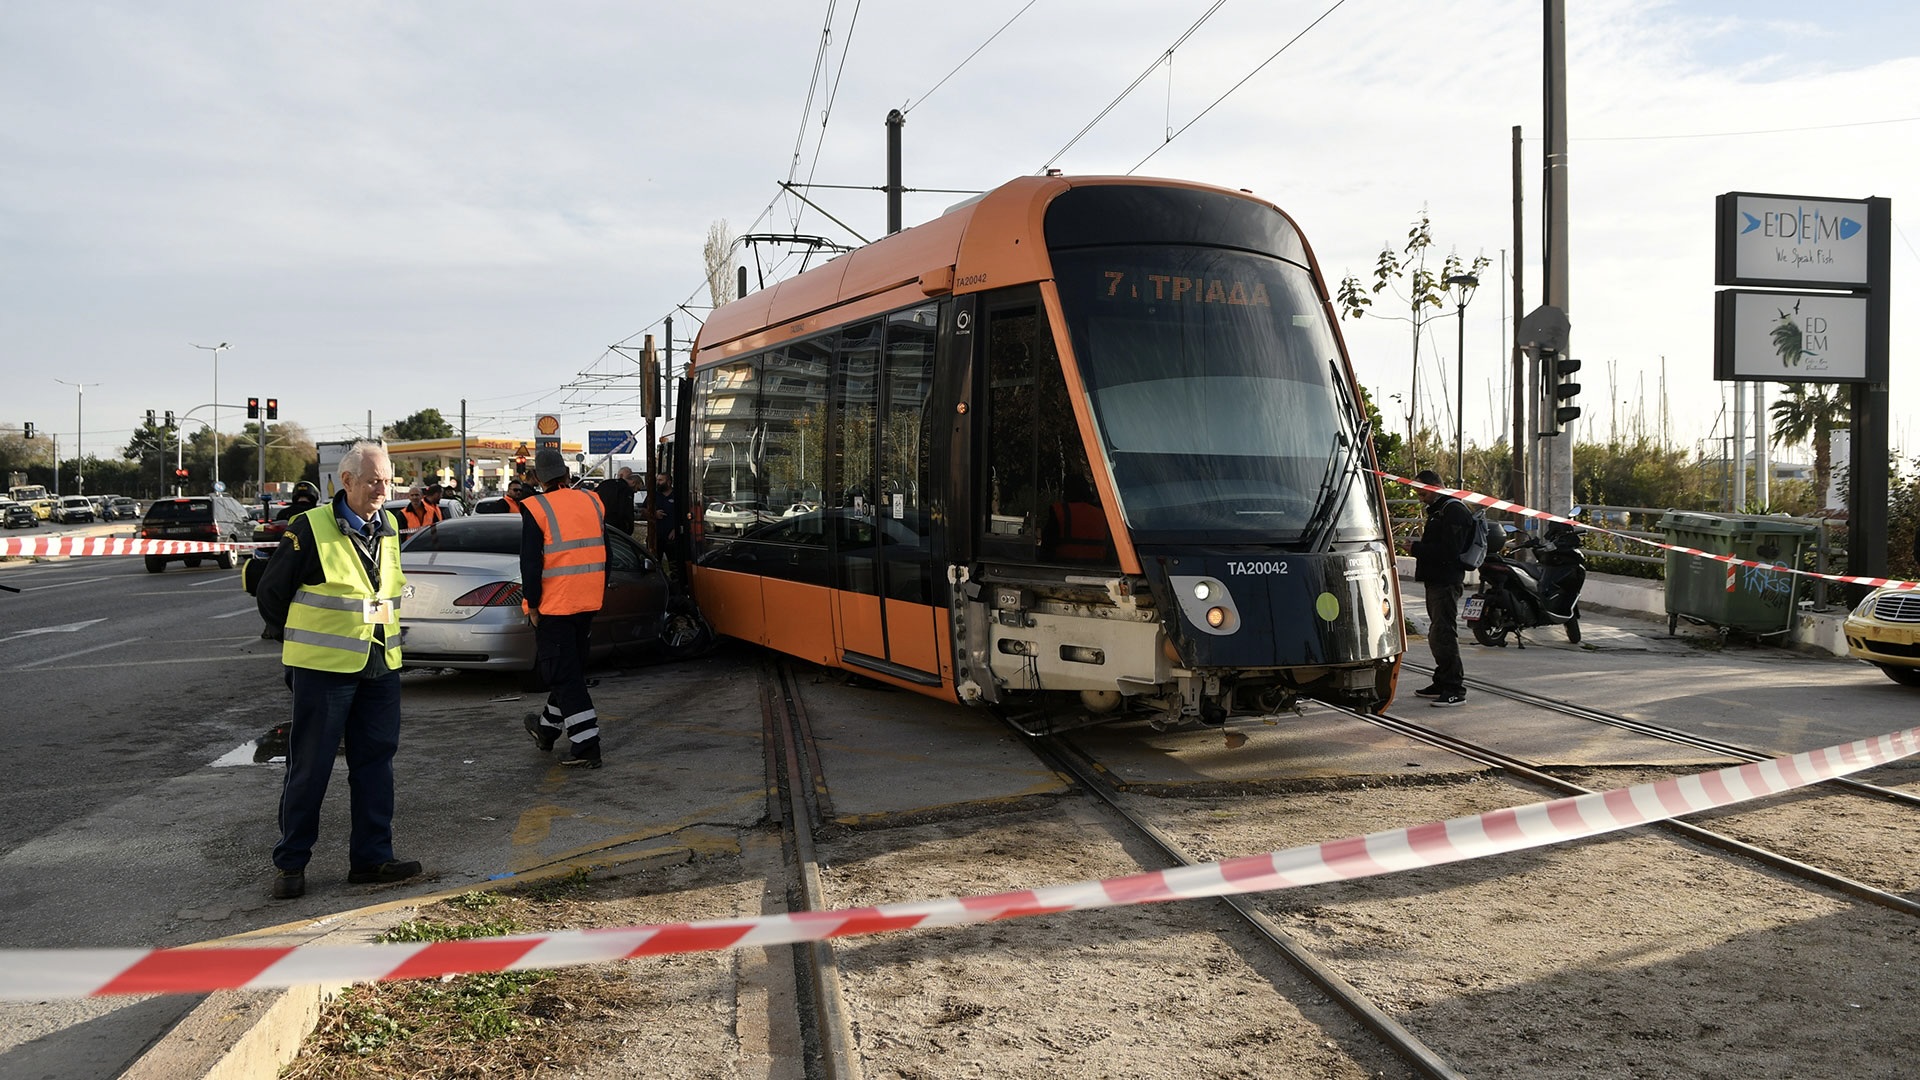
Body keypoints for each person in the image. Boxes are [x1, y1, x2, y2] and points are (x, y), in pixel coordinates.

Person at [255, 440, 421, 899]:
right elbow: (271, 595)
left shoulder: (388, 525)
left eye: (388, 481)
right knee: (311, 767)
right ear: (346, 481)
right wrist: (301, 641)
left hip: (379, 663)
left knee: (376, 765)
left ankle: (372, 859)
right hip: (323, 670)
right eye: (374, 481)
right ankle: (291, 865)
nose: (383, 490)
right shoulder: (309, 528)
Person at [521, 447, 609, 768]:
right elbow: (607, 551)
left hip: (555, 605)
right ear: (568, 473)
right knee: (568, 669)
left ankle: (587, 746)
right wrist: (598, 590)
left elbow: (531, 563)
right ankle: (546, 730)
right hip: (588, 602)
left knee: (563, 674)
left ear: (537, 478)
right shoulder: (592, 501)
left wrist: (532, 605)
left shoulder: (536, 508)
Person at [1408, 469, 1476, 707]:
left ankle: (1454, 688)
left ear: (1435, 486)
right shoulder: (1440, 510)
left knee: (1444, 634)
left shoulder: (1454, 510)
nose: (1420, 498)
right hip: (1436, 580)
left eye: (1423, 492)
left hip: (1446, 582)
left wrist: (1416, 549)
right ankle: (1442, 681)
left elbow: (1449, 551)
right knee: (1437, 634)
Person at [597, 467, 638, 536]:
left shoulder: (604, 484)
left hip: (601, 523)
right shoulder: (626, 490)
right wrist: (628, 529)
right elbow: (627, 511)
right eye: (629, 477)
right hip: (618, 528)